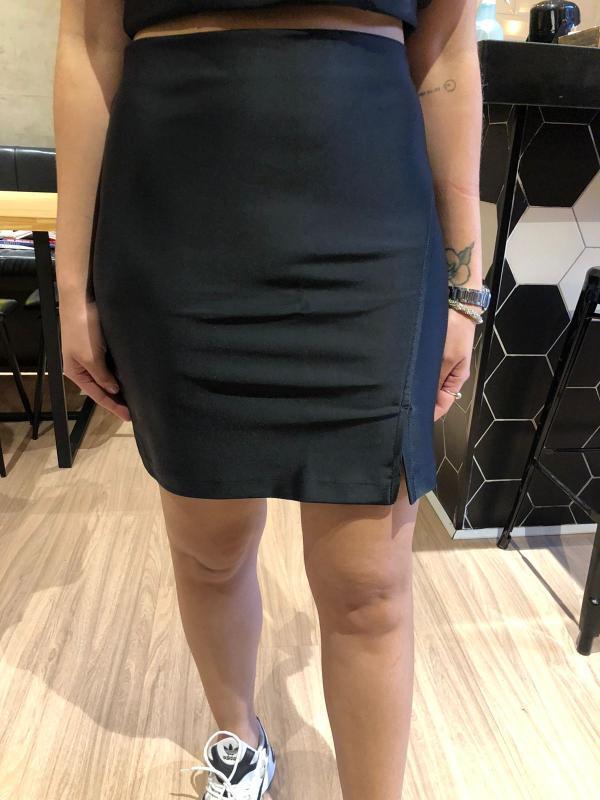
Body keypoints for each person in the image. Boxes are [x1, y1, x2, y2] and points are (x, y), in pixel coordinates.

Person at [53, 1, 484, 797]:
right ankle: (239, 740)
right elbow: (89, 42)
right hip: (173, 226)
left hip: (372, 224)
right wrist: (72, 281)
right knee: (209, 551)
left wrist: (465, 286)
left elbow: (449, 54)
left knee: (368, 584)